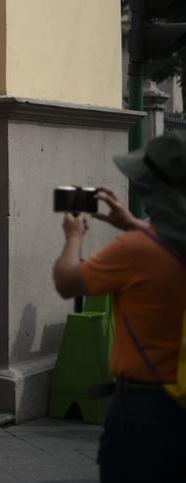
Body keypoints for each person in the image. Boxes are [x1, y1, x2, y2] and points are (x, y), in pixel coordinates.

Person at [52, 130, 186, 483]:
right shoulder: (153, 242)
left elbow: (67, 282)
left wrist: (73, 238)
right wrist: (132, 224)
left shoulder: (137, 250)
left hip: (146, 407)